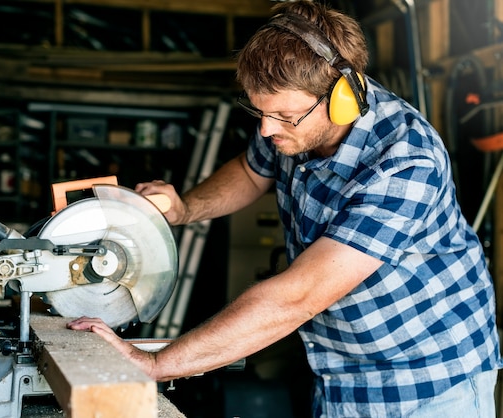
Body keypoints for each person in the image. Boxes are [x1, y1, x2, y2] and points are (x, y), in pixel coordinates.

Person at [68, 1, 502, 416]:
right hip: (338, 365)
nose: (265, 128)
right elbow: (251, 169)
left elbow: (296, 297)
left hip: (429, 374)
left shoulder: (406, 162)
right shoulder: (292, 119)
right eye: (259, 111)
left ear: (342, 98)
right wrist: (186, 210)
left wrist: (157, 363)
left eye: (281, 116)